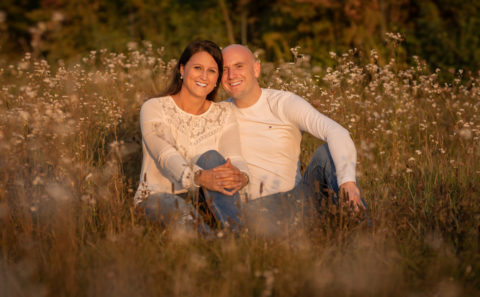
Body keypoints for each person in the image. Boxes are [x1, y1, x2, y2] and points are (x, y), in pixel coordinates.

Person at [221, 44, 365, 234]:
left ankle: (364, 235)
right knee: (253, 216)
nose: (231, 75)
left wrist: (348, 183)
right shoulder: (219, 113)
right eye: (224, 69)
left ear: (256, 69)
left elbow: (336, 131)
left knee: (326, 153)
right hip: (253, 207)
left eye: (239, 66)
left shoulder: (283, 103)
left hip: (297, 199)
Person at [134, 40, 249, 231]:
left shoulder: (224, 112)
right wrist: (198, 177)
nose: (204, 76)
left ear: (217, 78)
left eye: (211, 71)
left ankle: (236, 235)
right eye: (197, 68)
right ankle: (215, 246)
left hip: (204, 198)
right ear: (182, 69)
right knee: (181, 210)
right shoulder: (154, 107)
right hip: (157, 197)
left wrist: (242, 177)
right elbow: (165, 155)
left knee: (212, 157)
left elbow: (234, 158)